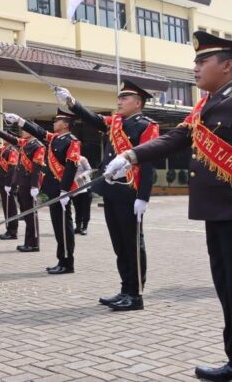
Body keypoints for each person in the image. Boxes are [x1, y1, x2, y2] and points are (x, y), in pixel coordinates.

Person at [105, 32, 232, 382]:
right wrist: (131, 155)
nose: (194, 68)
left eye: (201, 62)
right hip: (216, 213)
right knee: (227, 290)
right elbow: (176, 138)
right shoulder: (204, 106)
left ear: (226, 65)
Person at [58, 79, 159, 311]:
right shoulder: (115, 123)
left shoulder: (146, 126)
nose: (120, 101)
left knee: (132, 244)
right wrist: (72, 102)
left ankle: (136, 294)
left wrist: (144, 196)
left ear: (138, 102)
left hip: (131, 193)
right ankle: (125, 289)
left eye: (125, 98)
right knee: (119, 245)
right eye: (120, 97)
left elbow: (148, 162)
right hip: (112, 191)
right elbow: (93, 119)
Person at [4, 109, 80, 274]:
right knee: (57, 227)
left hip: (62, 191)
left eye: (57, 120)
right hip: (53, 190)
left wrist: (65, 191)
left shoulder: (72, 141)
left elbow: (71, 168)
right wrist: (20, 120)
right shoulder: (54, 138)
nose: (54, 123)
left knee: (64, 228)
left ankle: (68, 263)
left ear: (65, 124)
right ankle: (61, 260)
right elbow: (38, 131)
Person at [0, 124, 45, 252]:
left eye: (25, 129)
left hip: (30, 183)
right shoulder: (25, 143)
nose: (22, 132)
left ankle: (33, 243)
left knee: (30, 214)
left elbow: (36, 168)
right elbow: (11, 139)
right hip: (22, 182)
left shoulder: (38, 145)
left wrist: (34, 186)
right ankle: (28, 242)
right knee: (26, 213)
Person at [71, 155, 93, 235]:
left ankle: (84, 227)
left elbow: (89, 170)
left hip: (85, 186)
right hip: (75, 188)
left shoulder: (82, 159)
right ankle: (78, 227)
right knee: (77, 208)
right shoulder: (68, 159)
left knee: (85, 208)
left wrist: (82, 175)